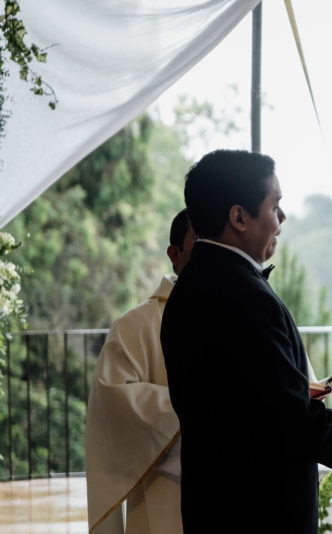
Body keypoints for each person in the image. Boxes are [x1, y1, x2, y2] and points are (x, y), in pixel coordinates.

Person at [160, 149, 332, 533]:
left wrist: (331, 420)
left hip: (212, 503)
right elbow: (288, 421)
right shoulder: (244, 295)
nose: (282, 218)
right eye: (274, 206)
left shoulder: (189, 288)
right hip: (259, 511)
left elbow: (249, 404)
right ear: (239, 217)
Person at [86, 209, 195, 534]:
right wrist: (204, 412)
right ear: (174, 255)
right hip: (163, 498)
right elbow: (113, 401)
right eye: (202, 242)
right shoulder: (136, 325)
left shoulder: (247, 313)